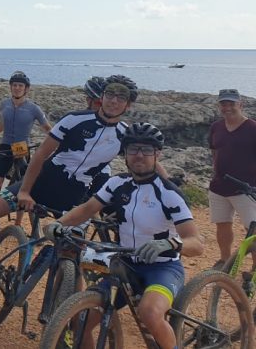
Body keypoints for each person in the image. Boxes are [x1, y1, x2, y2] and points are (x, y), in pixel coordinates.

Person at [0, 74, 168, 274]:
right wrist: (25, 191)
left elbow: (149, 162)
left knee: (73, 258)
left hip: (75, 198)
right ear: (102, 96)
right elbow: (40, 155)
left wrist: (169, 190)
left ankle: (75, 303)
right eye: (110, 94)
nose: (114, 100)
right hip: (42, 183)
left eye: (122, 97)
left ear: (129, 105)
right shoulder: (75, 119)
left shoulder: (125, 135)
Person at [44, 123, 202, 349]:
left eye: (147, 150)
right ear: (125, 153)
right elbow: (87, 209)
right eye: (133, 149)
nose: (139, 155)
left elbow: (196, 243)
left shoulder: (168, 193)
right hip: (126, 264)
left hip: (162, 268)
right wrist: (59, 224)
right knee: (81, 320)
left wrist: (170, 243)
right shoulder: (116, 184)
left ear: (157, 154)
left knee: (149, 312)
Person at [0, 71, 52, 199]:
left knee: (22, 184)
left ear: (26, 89)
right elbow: (3, 123)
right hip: (6, 144)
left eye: (20, 86)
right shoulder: (5, 104)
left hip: (21, 146)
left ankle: (19, 220)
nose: (17, 88)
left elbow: (47, 127)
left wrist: (56, 141)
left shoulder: (34, 108)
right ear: (10, 87)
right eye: (14, 85)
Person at [207, 88, 256, 266]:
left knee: (252, 229)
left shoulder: (252, 128)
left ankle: (254, 269)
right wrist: (215, 173)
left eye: (231, 103)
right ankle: (225, 260)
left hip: (246, 188)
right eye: (223, 103)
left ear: (240, 104)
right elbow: (214, 151)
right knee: (222, 224)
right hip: (219, 186)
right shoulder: (216, 127)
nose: (227, 107)